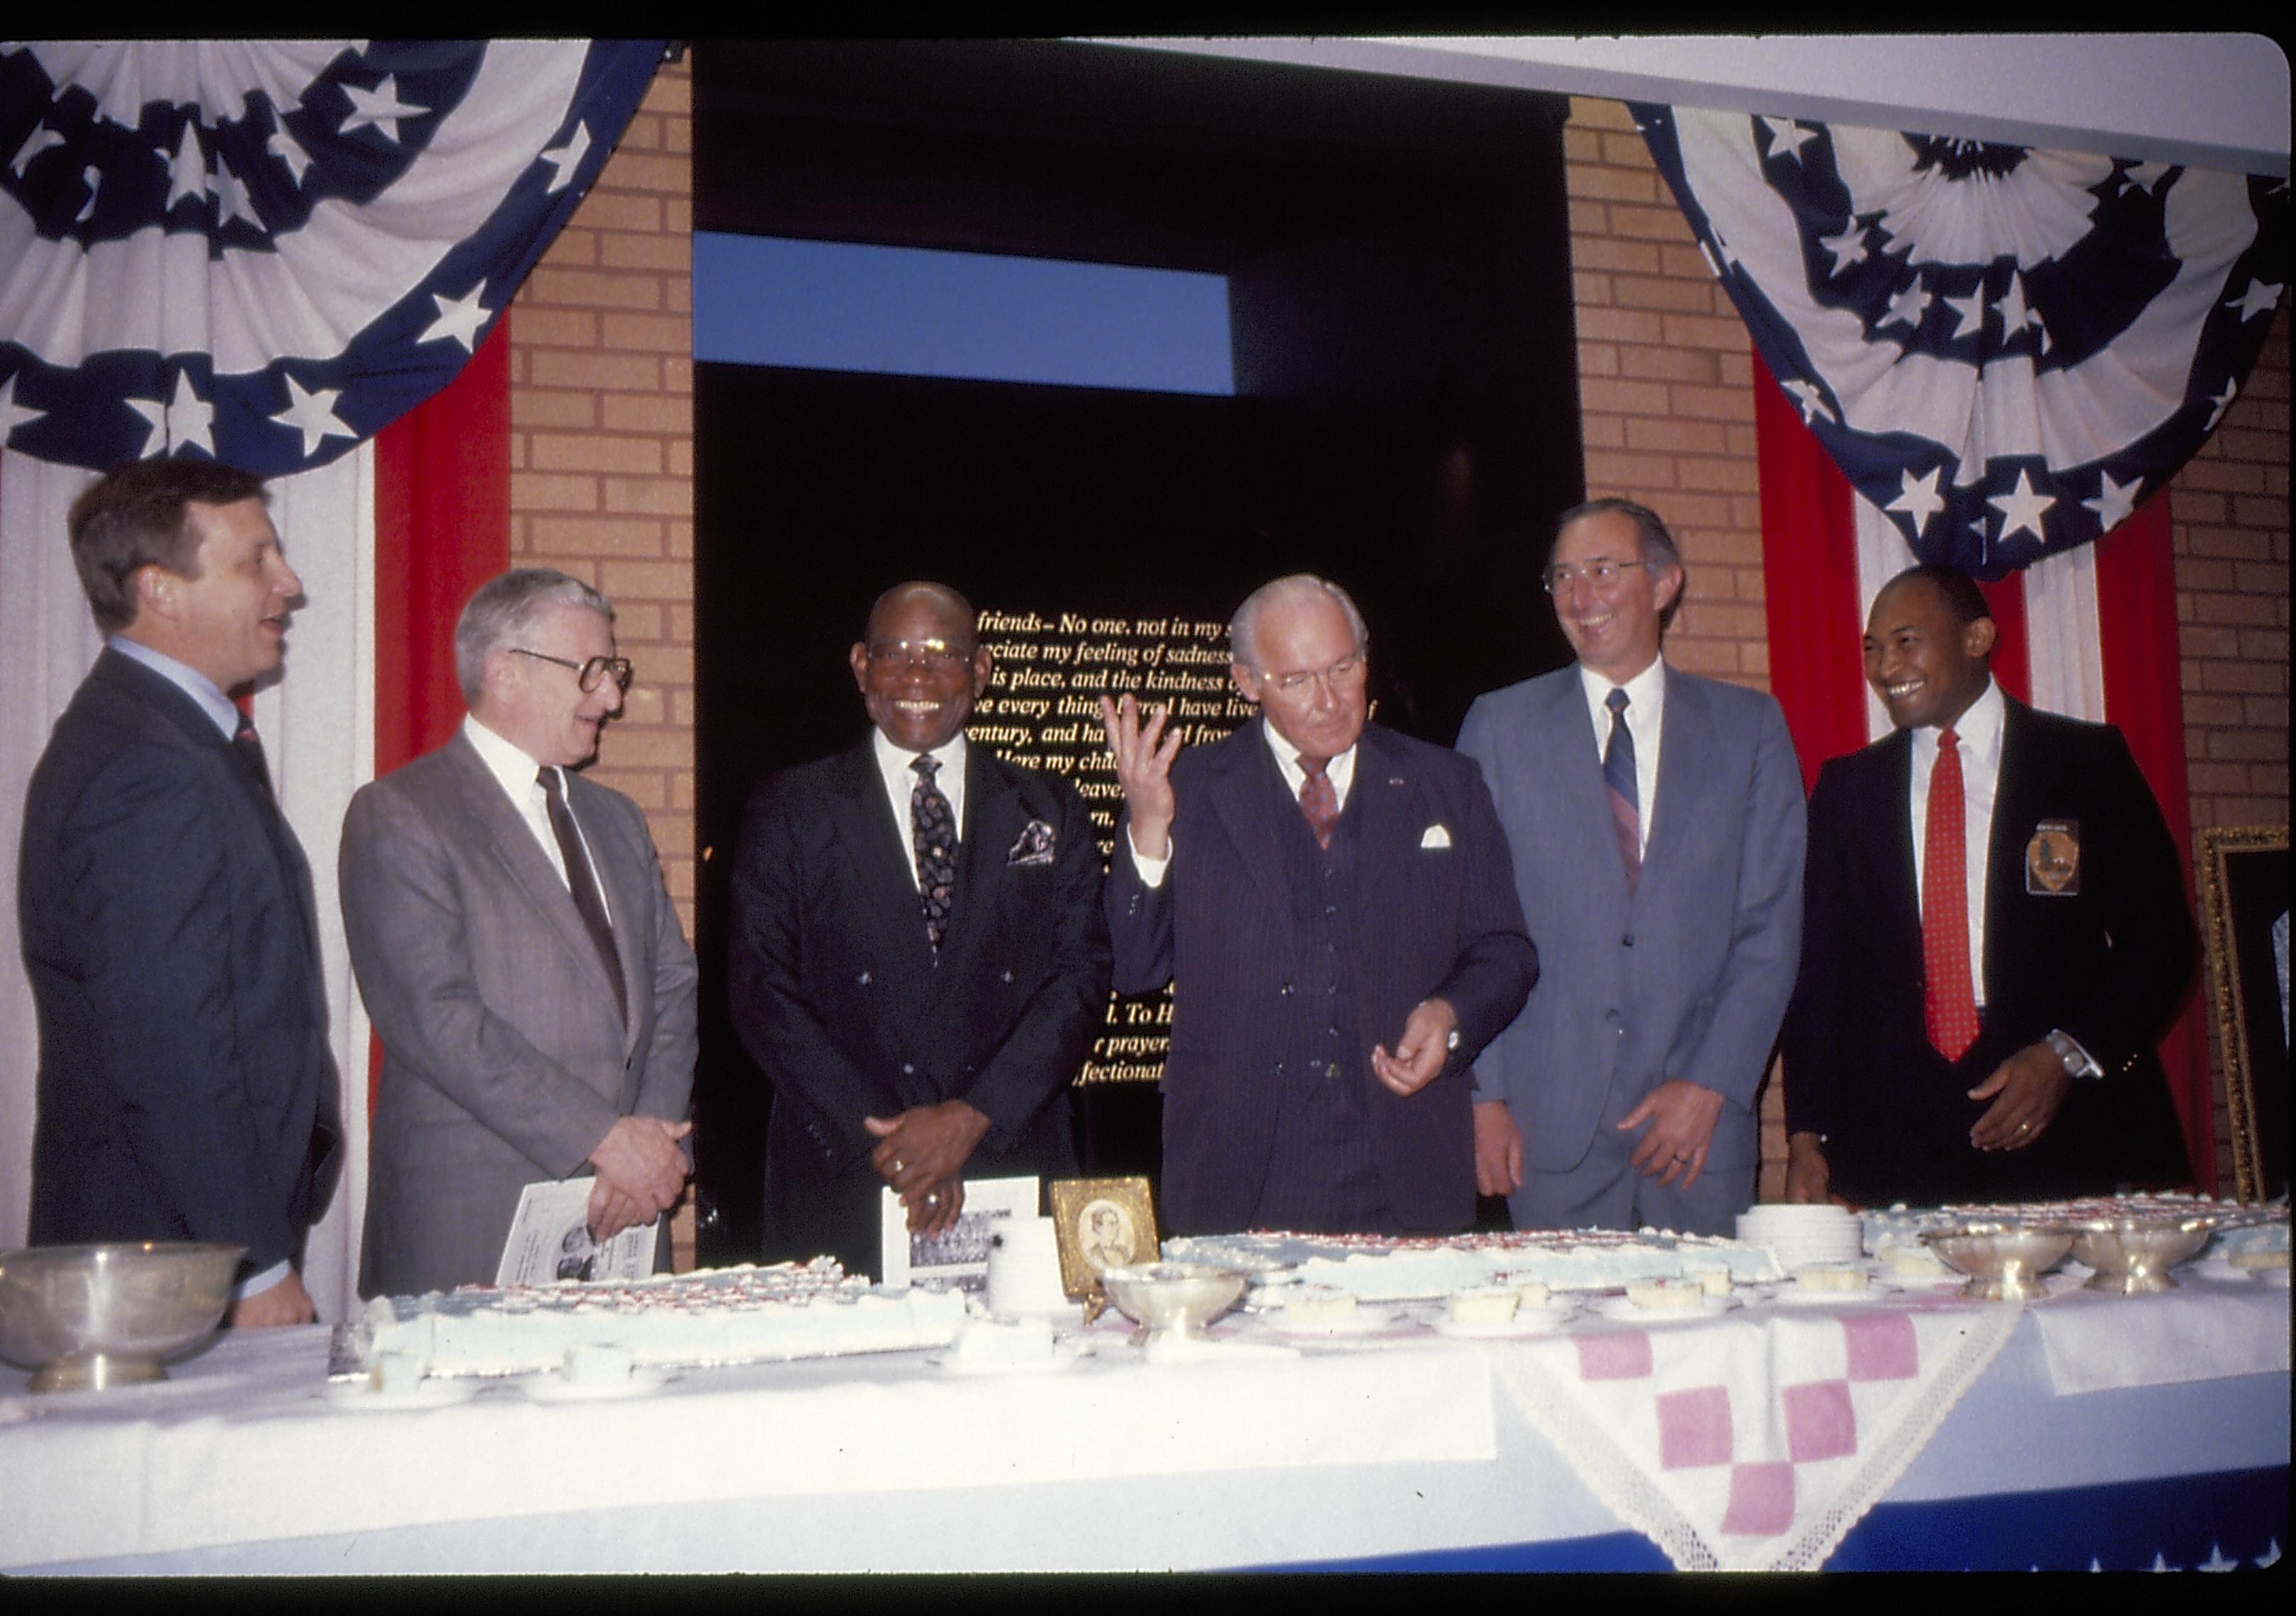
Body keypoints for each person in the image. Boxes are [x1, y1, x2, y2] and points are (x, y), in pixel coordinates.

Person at [1099, 575, 1538, 1238]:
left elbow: (1505, 951)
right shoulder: (1186, 789)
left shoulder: (1446, 784)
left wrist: (1451, 1014)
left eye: (1344, 668)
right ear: (1247, 682)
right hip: (1240, 1173)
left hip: (1408, 1160)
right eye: (1298, 680)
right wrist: (1149, 830)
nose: (1331, 701)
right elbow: (1135, 969)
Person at [21, 459, 341, 1326]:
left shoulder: (176, 741)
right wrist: (252, 1266)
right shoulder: (145, 769)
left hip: (190, 1244)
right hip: (174, 1264)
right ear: (160, 590)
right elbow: (170, 1053)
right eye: (256, 561)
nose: (290, 584)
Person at [727, 582, 1111, 1279]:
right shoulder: (792, 807)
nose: (917, 675)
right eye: (894, 653)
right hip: (847, 1161)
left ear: (983, 670)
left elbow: (1079, 978)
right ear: (859, 666)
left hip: (1008, 1152)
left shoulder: (1049, 806)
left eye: (943, 654)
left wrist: (970, 1119)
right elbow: (761, 989)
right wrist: (900, 1144)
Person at [1782, 564, 2197, 1205]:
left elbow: (2163, 944)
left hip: (2061, 1119)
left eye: (1906, 640)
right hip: (1901, 1132)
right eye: (1872, 648)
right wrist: (1807, 1134)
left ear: (1977, 637)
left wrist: (2065, 1055)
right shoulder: (1846, 791)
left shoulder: (2085, 763)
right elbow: (1818, 973)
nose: (1885, 667)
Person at [340, 569, 697, 1297]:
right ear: (505, 672)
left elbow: (672, 983)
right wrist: (603, 1138)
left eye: (615, 673)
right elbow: (436, 1019)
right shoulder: (402, 814)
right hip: (471, 1221)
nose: (613, 698)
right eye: (593, 672)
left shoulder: (617, 820)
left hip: (625, 1210)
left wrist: (651, 1141)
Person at [1457, 500, 1804, 1237]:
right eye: (1563, 578)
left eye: (1604, 571)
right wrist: (1483, 1096)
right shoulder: (1499, 725)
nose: (1582, 598)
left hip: (1698, 1133)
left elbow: (1770, 928)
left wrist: (1712, 1083)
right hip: (1544, 1136)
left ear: (1666, 582)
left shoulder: (1750, 729)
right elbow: (1468, 919)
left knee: (1706, 1346)